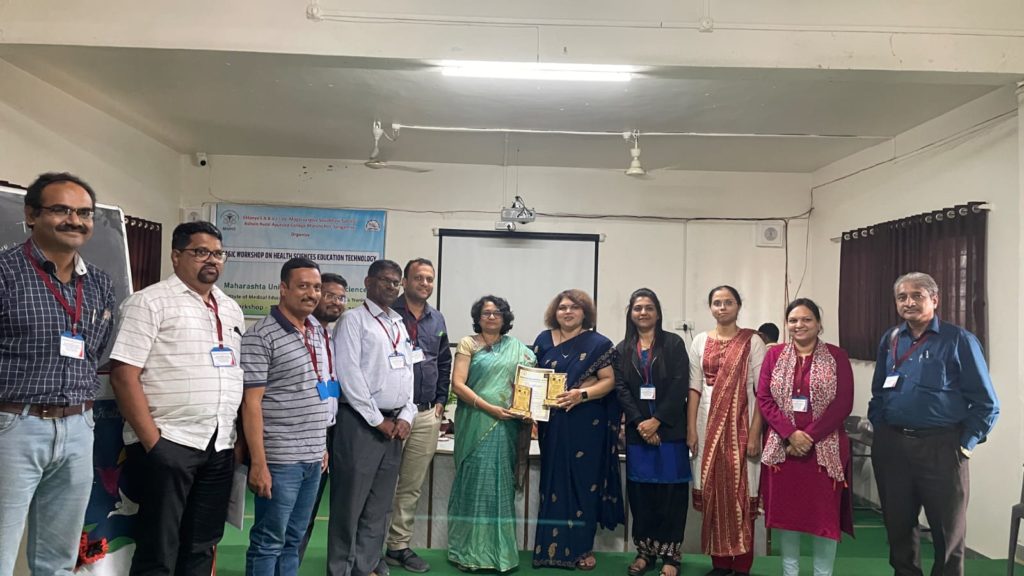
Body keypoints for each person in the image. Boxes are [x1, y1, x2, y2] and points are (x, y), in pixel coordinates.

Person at [110, 221, 245, 576]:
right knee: (159, 546)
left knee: (202, 544)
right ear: (175, 256)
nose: (211, 260)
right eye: (200, 252)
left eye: (218, 253)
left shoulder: (230, 308)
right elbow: (123, 376)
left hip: (218, 444)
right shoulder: (148, 302)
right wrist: (154, 444)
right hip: (169, 442)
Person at [0, 172, 115, 576]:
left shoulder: (99, 283)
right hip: (13, 425)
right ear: (31, 215)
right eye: (61, 210)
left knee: (59, 559)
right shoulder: (5, 272)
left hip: (79, 427)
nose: (75, 220)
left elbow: (95, 350)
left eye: (84, 213)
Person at [868, 272, 999, 576]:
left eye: (917, 295)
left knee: (947, 534)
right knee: (898, 529)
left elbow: (986, 403)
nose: (909, 302)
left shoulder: (959, 340)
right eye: (902, 297)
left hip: (942, 448)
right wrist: (881, 430)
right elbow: (878, 393)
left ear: (935, 299)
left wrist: (964, 446)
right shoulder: (891, 339)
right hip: (893, 448)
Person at [241, 258, 331, 575]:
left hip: (313, 457)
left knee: (293, 540)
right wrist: (259, 463)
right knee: (269, 541)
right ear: (283, 288)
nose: (312, 293)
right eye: (303, 286)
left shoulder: (317, 332)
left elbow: (316, 392)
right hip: (280, 459)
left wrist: (321, 444)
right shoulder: (260, 336)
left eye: (316, 287)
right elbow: (251, 404)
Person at [327, 259, 416, 576]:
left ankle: (364, 568)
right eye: (385, 280)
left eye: (396, 282)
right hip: (361, 424)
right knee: (349, 505)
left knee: (379, 506)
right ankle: (341, 569)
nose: (391, 286)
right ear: (368, 282)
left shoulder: (398, 324)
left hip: (394, 427)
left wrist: (407, 414)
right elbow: (349, 375)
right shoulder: (353, 321)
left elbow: (408, 372)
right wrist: (377, 420)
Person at [758, 298, 854, 576]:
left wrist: (807, 437)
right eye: (793, 320)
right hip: (783, 450)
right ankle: (790, 572)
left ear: (818, 324)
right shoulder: (774, 355)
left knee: (823, 520)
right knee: (788, 519)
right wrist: (790, 435)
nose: (799, 325)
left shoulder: (837, 356)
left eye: (806, 319)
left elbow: (843, 403)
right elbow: (764, 398)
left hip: (824, 451)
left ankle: (823, 573)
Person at [532, 289, 623, 570]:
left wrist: (581, 395)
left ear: (585, 312)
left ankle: (582, 549)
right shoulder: (543, 340)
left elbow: (609, 381)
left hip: (586, 424)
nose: (567, 312)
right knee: (553, 483)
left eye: (574, 307)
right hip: (552, 425)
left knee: (584, 484)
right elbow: (534, 379)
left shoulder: (598, 344)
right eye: (562, 307)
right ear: (555, 312)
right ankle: (549, 550)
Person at [447, 295, 536, 572]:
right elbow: (458, 385)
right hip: (475, 421)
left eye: (497, 312)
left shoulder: (519, 349)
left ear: (505, 317)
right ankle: (468, 553)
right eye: (486, 312)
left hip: (506, 426)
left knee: (500, 487)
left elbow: (529, 385)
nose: (491, 316)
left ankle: (500, 555)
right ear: (478, 317)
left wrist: (527, 407)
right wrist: (490, 409)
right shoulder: (468, 344)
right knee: (473, 485)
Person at [687, 285, 766, 576]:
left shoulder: (752, 341)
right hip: (706, 424)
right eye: (717, 303)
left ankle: (742, 566)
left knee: (741, 495)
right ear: (710, 307)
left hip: (741, 425)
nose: (722, 307)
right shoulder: (699, 341)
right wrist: (691, 430)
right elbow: (694, 387)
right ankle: (720, 565)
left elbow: (762, 392)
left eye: (728, 302)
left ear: (738, 306)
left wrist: (755, 433)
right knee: (713, 494)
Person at [613, 289, 691, 576]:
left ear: (658, 313)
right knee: (641, 495)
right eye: (638, 308)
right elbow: (621, 389)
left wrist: (657, 421)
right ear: (631, 313)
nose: (643, 312)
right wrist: (640, 423)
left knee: (671, 495)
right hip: (638, 435)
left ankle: (671, 556)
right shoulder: (622, 348)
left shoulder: (673, 343)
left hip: (670, 432)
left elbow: (680, 385)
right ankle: (645, 552)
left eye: (648, 307)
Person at [385, 258, 452, 573]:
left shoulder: (436, 318)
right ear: (404, 281)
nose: (425, 284)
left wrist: (440, 399)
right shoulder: (387, 313)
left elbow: (443, 361)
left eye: (429, 279)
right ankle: (367, 547)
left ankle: (397, 546)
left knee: (410, 486)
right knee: (380, 484)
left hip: (425, 415)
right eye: (418, 278)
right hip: (389, 417)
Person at [298, 272, 348, 561]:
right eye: (329, 295)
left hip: (327, 431)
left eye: (341, 297)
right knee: (290, 514)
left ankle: (290, 566)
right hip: (299, 433)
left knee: (308, 510)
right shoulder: (303, 331)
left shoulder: (330, 334)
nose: (335, 302)